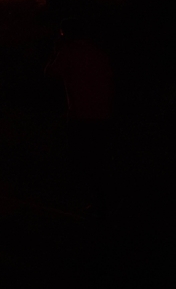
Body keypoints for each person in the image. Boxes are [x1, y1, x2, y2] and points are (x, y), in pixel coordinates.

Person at [46, 16, 114, 216]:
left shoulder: (68, 52)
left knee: (84, 158)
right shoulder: (99, 51)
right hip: (104, 113)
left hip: (81, 115)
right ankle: (105, 199)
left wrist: (55, 51)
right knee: (101, 158)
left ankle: (95, 201)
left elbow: (50, 72)